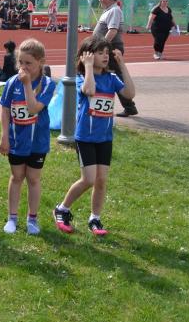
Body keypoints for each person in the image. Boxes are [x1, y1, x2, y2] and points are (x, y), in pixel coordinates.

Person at [53, 36, 135, 236]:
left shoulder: (111, 79)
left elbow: (130, 94)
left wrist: (122, 65)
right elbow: (89, 90)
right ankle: (62, 209)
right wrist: (88, 67)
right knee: (89, 179)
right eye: (100, 53)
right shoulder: (82, 78)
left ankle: (95, 218)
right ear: (87, 56)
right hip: (86, 138)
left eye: (107, 53)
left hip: (104, 138)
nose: (105, 56)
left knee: (101, 180)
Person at [0, 39, 56, 235]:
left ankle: (32, 218)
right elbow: (5, 110)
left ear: (41, 62)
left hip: (37, 141)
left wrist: (26, 85)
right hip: (16, 140)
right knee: (16, 177)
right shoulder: (11, 82)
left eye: (28, 63)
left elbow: (33, 108)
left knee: (33, 179)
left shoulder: (47, 84)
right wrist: (4, 137)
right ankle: (12, 218)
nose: (23, 67)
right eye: (20, 62)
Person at [93, 0, 137, 117]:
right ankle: (128, 106)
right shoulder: (109, 10)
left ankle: (129, 106)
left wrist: (101, 46)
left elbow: (112, 31)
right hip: (107, 48)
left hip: (110, 48)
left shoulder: (114, 10)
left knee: (116, 75)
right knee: (108, 73)